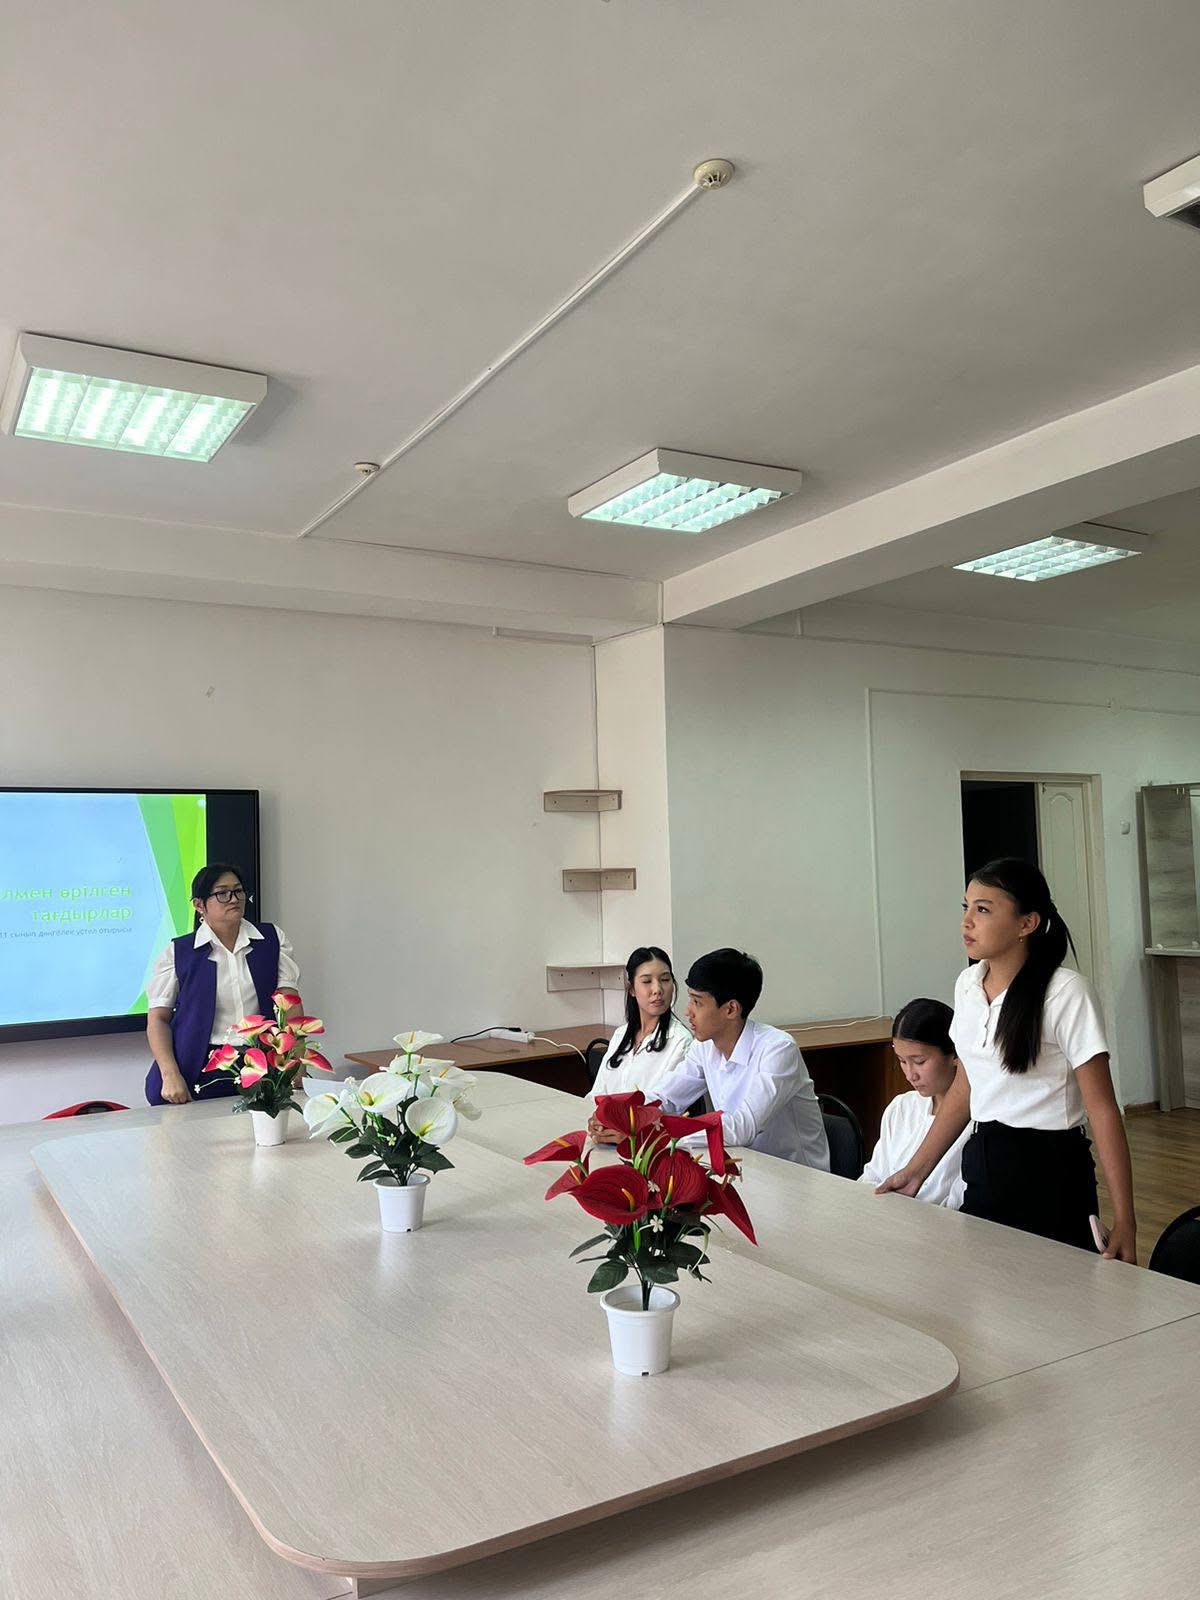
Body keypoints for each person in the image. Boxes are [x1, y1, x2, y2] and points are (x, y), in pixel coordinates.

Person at [876, 858, 1136, 1262]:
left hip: (1051, 1169)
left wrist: (1126, 1219)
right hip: (985, 1159)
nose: (966, 922)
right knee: (986, 1288)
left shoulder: (1065, 992)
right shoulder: (967, 985)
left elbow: (1102, 1109)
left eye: (983, 909)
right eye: (966, 907)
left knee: (1057, 1291)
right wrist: (916, 1171)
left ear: (1026, 923)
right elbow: (966, 1086)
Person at [639, 948, 830, 1170]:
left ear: (731, 1009)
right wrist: (626, 1119)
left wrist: (663, 1133)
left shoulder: (778, 1049)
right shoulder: (704, 1046)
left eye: (697, 1002)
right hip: (744, 1165)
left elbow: (742, 1127)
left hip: (796, 1177)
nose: (687, 1011)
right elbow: (666, 1097)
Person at [144, 863, 301, 1106]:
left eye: (238, 891)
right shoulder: (179, 952)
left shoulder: (271, 940)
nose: (234, 899)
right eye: (222, 893)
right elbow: (158, 1019)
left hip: (262, 1065)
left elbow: (290, 1006)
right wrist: (170, 1073)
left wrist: (296, 1060)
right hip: (199, 1067)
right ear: (199, 905)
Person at [860, 998, 968, 1207]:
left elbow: (957, 1206)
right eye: (902, 1061)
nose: (910, 1075)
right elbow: (873, 1176)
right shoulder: (902, 1107)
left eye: (919, 1062)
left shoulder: (976, 1125)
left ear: (955, 1055)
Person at [586, 947, 692, 1123]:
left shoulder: (680, 1041)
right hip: (606, 1130)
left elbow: (665, 1106)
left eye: (665, 980)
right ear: (632, 989)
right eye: (647, 981)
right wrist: (595, 1120)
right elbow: (596, 1095)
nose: (657, 989)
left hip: (644, 1135)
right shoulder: (620, 1035)